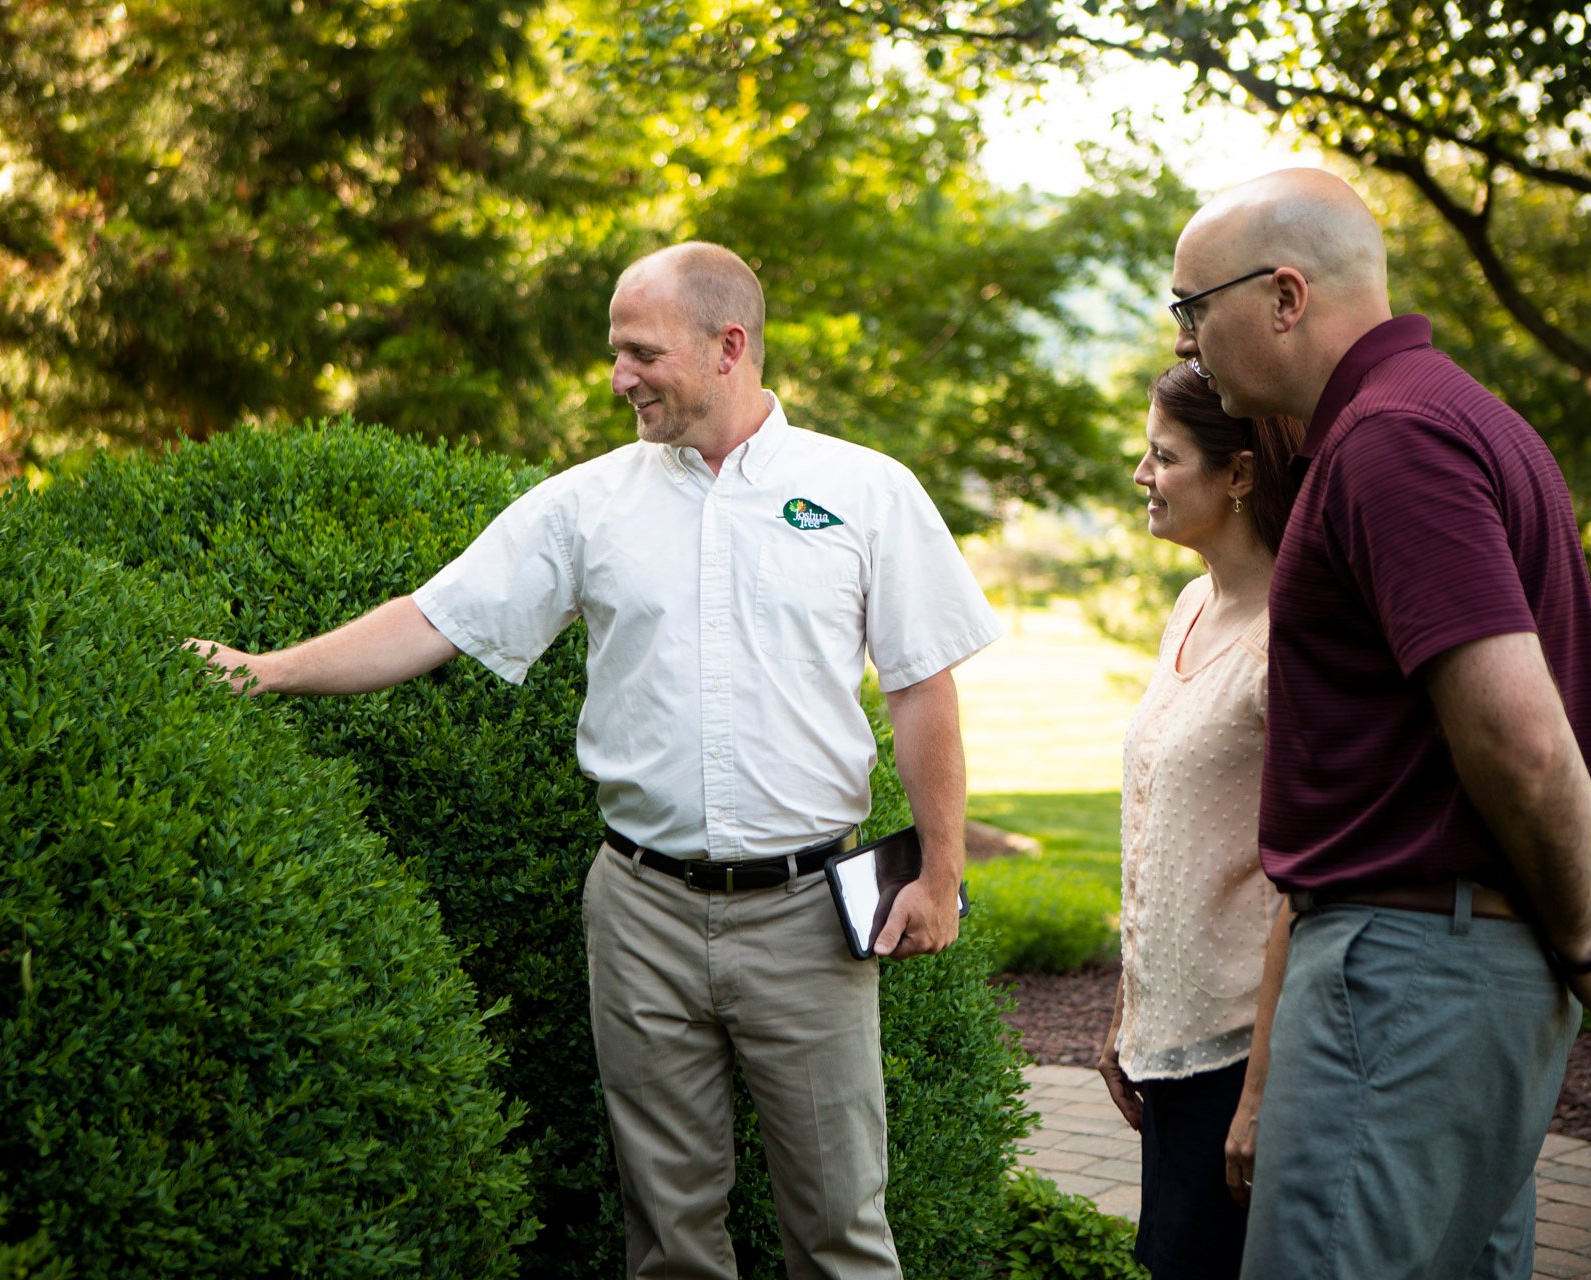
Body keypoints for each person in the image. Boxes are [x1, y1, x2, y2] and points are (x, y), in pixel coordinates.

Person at [186, 242, 1002, 1280]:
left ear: (728, 346)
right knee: (667, 1237)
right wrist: (267, 672)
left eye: (639, 352)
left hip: (807, 918)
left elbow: (923, 686)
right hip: (640, 912)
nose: (618, 378)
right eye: (615, 353)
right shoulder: (586, 503)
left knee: (842, 1230)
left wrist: (941, 874)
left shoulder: (866, 492)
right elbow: (434, 617)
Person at [1168, 167, 1591, 1279]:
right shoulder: (1453, 415)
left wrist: (1584, 938)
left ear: (1285, 296)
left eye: (1194, 307)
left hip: (1408, 975)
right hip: (1457, 968)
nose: (1185, 341)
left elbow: (1521, 738)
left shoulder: (1391, 442)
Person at [1098, 362, 1303, 1279]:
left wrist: (1259, 1092)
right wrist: (1126, 1011)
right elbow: (1163, 836)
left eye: (1164, 456)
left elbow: (1303, 875)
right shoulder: (1190, 606)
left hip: (1239, 1051)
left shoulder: (1291, 638)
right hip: (1168, 1045)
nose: (1142, 475)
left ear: (1241, 474)